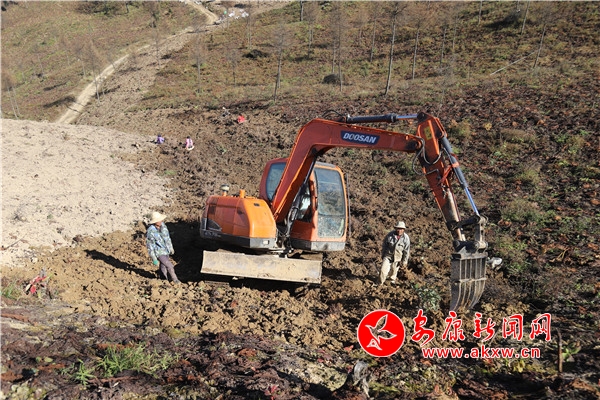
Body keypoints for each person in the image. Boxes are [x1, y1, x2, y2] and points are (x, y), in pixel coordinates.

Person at [146, 211, 180, 283]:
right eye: (158, 220)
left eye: (160, 220)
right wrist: (154, 258)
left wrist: (171, 248)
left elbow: (167, 238)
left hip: (166, 250)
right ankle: (175, 279)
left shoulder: (163, 226)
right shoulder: (150, 231)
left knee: (163, 265)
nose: (160, 221)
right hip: (158, 252)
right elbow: (150, 245)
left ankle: (163, 279)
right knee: (169, 265)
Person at [378, 221, 411, 286]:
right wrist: (383, 255)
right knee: (383, 270)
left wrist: (404, 262)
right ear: (395, 228)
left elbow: (406, 251)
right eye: (398, 228)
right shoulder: (390, 235)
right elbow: (384, 245)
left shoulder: (406, 238)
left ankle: (390, 282)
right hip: (388, 256)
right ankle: (380, 283)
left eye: (401, 229)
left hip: (397, 258)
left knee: (393, 272)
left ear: (403, 230)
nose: (399, 230)